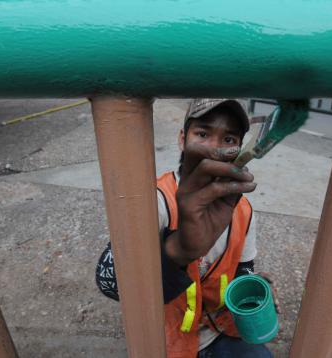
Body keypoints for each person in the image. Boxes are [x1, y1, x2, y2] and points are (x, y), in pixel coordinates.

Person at [95, 99, 279, 358]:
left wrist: (254, 286)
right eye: (203, 134)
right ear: (182, 138)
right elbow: (108, 283)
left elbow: (242, 270)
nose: (215, 148)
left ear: (240, 149)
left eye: (229, 139)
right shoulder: (154, 200)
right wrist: (177, 251)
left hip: (220, 332)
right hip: (168, 339)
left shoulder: (243, 210)